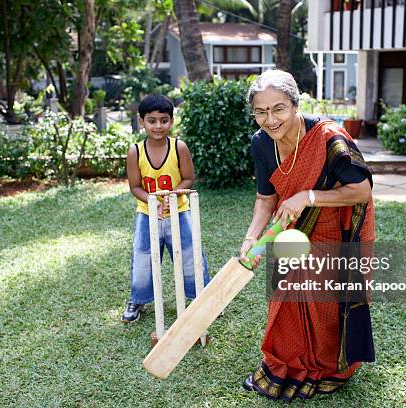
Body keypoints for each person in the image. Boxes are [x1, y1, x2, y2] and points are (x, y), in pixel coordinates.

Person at [239, 70, 375, 401]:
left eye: (279, 109)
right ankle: (284, 363)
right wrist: (251, 239)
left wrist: (309, 197)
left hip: (334, 226)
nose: (270, 120)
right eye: (260, 111)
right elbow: (265, 198)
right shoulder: (261, 144)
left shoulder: (330, 137)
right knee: (285, 297)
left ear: (296, 105)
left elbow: (361, 189)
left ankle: (329, 368)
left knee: (325, 303)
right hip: (292, 230)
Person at [122, 94, 210, 322]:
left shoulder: (179, 147)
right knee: (143, 258)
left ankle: (203, 297)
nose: (158, 126)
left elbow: (189, 179)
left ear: (171, 120)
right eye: (152, 120)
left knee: (190, 255)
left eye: (163, 120)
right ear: (142, 121)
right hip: (146, 214)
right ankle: (138, 299)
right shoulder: (135, 152)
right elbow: (135, 186)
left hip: (179, 211)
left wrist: (172, 196)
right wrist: (153, 203)